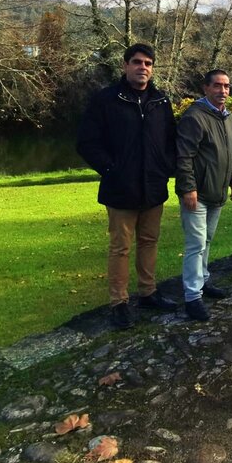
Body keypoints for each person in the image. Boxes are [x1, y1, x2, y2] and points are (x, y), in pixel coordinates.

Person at [76, 43, 178, 330]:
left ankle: (148, 292)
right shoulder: (106, 100)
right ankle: (119, 302)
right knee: (120, 247)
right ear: (125, 65)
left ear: (152, 68)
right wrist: (111, 169)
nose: (142, 67)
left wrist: (165, 168)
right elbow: (86, 142)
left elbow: (171, 141)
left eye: (148, 63)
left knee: (149, 241)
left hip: (153, 187)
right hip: (121, 188)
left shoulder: (161, 101)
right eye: (137, 62)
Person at [175, 69, 232, 321]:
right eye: (217, 86)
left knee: (207, 240)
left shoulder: (228, 117)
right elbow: (184, 156)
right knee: (196, 244)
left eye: (227, 86)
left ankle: (202, 280)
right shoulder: (194, 117)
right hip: (197, 193)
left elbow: (230, 152)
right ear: (206, 88)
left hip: (217, 192)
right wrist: (188, 188)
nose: (223, 91)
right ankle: (192, 297)